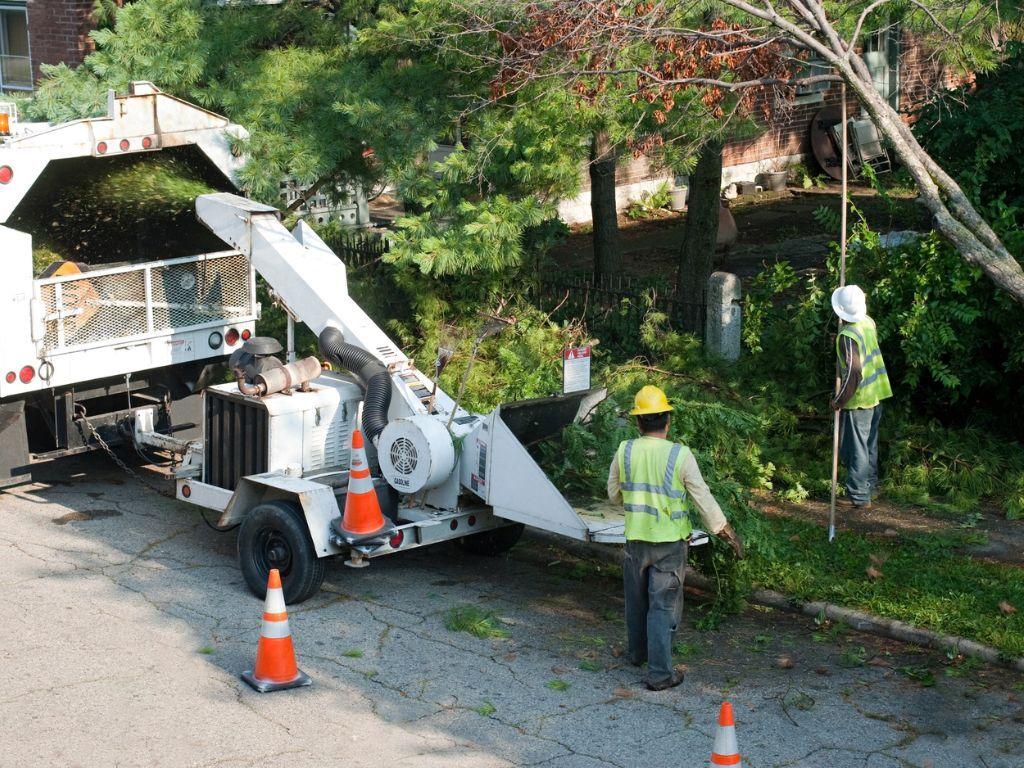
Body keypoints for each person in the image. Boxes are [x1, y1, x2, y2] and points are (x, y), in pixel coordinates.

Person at [607, 385, 744, 691]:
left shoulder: (625, 450)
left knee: (636, 602)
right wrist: (726, 532)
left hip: (636, 541)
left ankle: (637, 654)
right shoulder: (680, 455)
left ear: (638, 422)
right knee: (662, 606)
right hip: (669, 545)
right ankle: (658, 673)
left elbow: (613, 494)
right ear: (667, 421)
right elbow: (702, 498)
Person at [831, 285, 893, 509]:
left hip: (859, 400)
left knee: (857, 449)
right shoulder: (868, 322)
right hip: (876, 394)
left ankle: (859, 496)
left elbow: (854, 374)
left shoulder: (848, 337)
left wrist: (839, 401)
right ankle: (869, 486)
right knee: (869, 445)